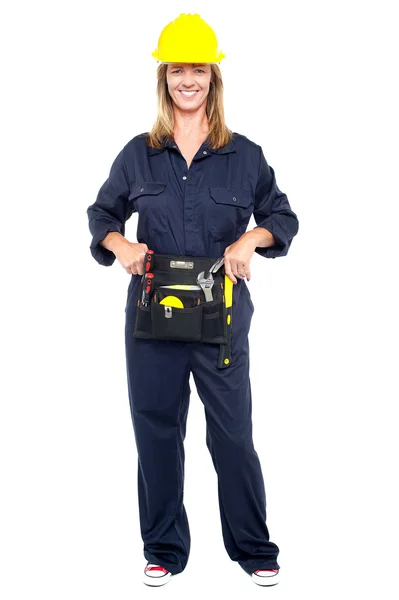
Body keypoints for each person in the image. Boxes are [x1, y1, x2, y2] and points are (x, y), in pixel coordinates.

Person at [86, 13, 299, 588]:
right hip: (152, 322)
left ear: (213, 77)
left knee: (232, 436)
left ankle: (254, 549)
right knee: (155, 432)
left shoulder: (244, 154)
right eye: (177, 70)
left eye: (198, 70)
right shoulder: (138, 153)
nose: (188, 80)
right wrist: (120, 244)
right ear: (164, 77)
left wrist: (252, 237)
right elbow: (101, 215)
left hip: (222, 322)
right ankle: (162, 548)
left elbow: (282, 216)